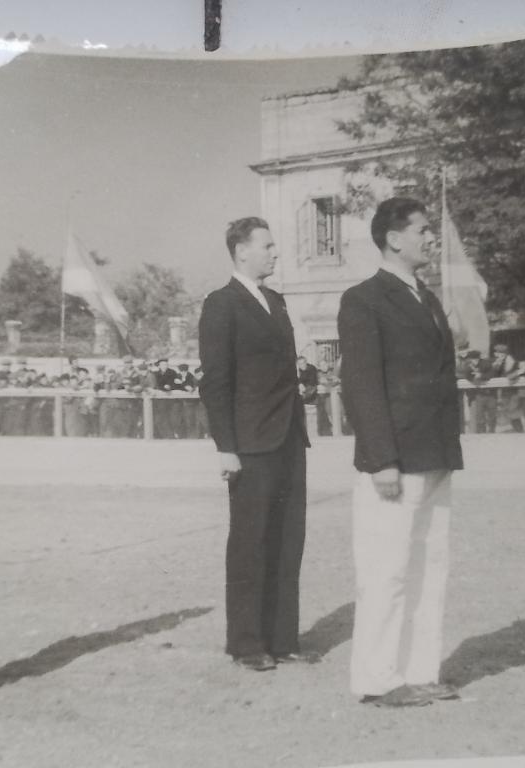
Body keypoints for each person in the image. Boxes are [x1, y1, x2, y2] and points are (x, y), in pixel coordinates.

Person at [337, 197, 463, 708]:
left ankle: (420, 671)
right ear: (394, 238)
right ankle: (377, 679)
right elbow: (362, 385)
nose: (431, 238)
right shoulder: (364, 299)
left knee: (431, 569)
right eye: (423, 230)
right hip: (394, 460)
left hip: (434, 452)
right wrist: (382, 457)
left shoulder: (426, 298)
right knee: (386, 570)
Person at [198, 217, 312, 672]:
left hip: (288, 436)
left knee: (288, 538)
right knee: (250, 541)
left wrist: (307, 384)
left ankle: (283, 639)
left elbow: (284, 366)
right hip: (250, 443)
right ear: (241, 251)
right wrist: (226, 445)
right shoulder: (221, 304)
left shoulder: (276, 301)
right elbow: (216, 381)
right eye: (267, 245)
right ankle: (246, 643)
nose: (275, 253)